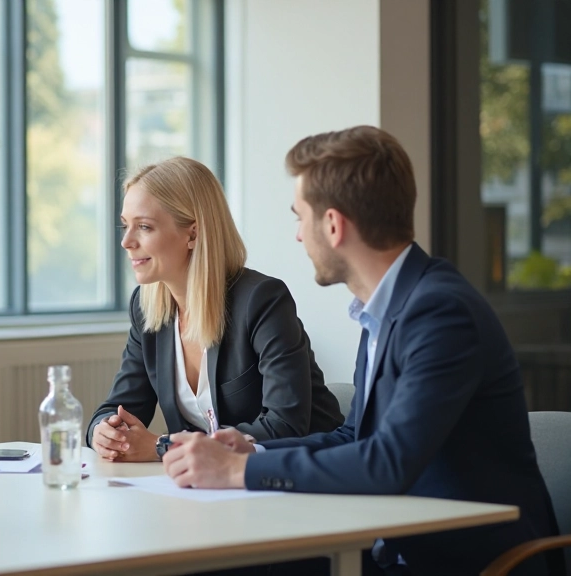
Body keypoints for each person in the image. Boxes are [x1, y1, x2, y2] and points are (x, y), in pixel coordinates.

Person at [161, 126, 563, 575]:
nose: (298, 236)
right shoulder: (386, 308)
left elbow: (388, 462)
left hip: (465, 563)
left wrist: (235, 473)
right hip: (393, 549)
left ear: (333, 225)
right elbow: (355, 437)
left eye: (300, 218)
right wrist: (251, 452)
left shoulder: (440, 312)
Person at [88, 156, 343, 462]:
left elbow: (285, 426)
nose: (126, 242)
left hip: (305, 472)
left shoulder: (262, 300)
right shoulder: (145, 309)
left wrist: (163, 446)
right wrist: (104, 431)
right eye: (125, 225)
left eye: (144, 227)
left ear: (193, 234)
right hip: (213, 481)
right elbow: (119, 408)